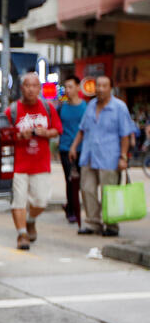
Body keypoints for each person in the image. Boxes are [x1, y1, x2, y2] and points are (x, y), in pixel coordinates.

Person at [69, 75, 133, 237]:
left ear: (110, 88)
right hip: (89, 155)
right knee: (87, 189)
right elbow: (83, 129)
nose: (100, 89)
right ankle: (92, 223)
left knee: (109, 192)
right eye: (98, 86)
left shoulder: (119, 107)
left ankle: (111, 225)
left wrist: (123, 157)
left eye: (104, 86)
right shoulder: (90, 105)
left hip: (110, 157)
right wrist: (74, 147)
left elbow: (125, 134)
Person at [4, 72, 62, 250]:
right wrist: (20, 135)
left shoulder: (47, 107)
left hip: (40, 164)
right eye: (27, 85)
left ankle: (30, 221)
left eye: (34, 85)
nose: (31, 89)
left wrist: (46, 133)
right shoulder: (12, 110)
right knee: (19, 201)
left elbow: (57, 130)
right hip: (18, 165)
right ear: (22, 88)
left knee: (41, 202)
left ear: (39, 88)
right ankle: (22, 234)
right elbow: (4, 135)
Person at [56, 75, 87, 225]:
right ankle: (72, 211)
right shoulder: (61, 107)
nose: (68, 90)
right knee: (70, 179)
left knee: (81, 181)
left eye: (70, 87)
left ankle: (69, 205)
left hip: (82, 149)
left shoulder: (85, 107)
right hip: (65, 149)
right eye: (65, 87)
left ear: (78, 88)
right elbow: (56, 126)